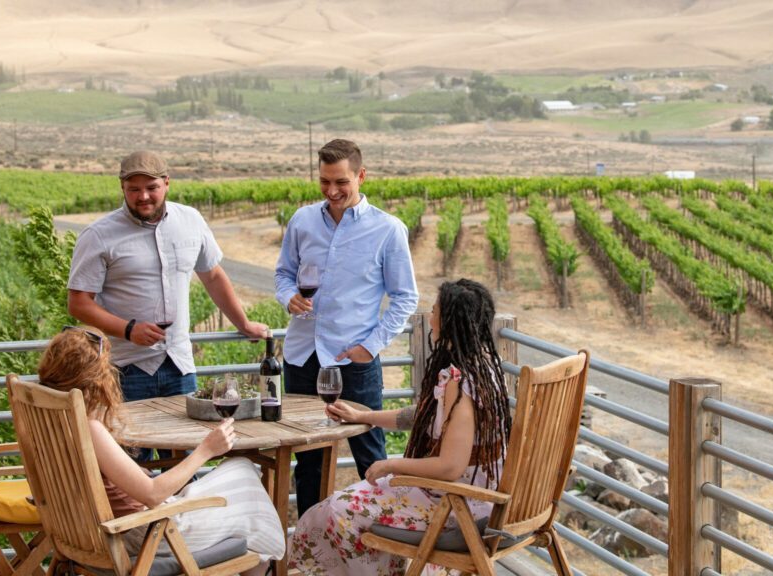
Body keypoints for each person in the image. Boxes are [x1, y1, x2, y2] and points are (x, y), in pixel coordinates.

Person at [289, 279, 512, 576]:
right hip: (471, 499)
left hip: (457, 508)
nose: (429, 316)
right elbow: (418, 416)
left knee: (335, 513)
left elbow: (450, 467)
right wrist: (362, 417)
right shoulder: (482, 369)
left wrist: (391, 464)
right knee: (329, 510)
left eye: (434, 310)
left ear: (448, 322)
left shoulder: (459, 383)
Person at [68, 151, 268, 459]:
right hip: (125, 371)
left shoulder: (191, 220)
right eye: (133, 189)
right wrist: (128, 329)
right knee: (131, 468)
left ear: (167, 183)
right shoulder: (98, 236)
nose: (143, 196)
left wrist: (243, 324)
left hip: (180, 368)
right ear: (122, 187)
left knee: (184, 466)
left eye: (151, 187)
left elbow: (213, 275)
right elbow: (79, 303)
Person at [37, 326, 284, 574]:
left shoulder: (50, 422)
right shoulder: (89, 430)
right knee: (247, 485)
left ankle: (262, 567)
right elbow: (153, 494)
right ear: (95, 379)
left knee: (241, 469)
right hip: (147, 533)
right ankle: (266, 568)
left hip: (102, 531)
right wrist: (207, 449)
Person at [274, 139, 419, 515]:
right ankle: (311, 550)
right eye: (324, 181)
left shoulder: (388, 230)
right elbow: (283, 274)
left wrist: (370, 346)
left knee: (370, 457)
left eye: (341, 182)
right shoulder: (302, 221)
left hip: (355, 362)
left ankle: (379, 550)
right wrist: (288, 296)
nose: (332, 191)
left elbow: (405, 297)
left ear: (361, 175)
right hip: (302, 357)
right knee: (308, 461)